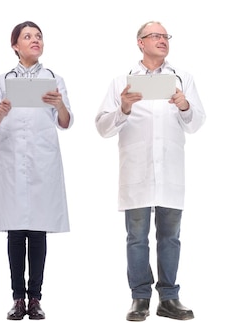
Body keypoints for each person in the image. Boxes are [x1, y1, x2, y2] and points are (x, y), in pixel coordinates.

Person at [95, 21, 206, 321]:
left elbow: (196, 124)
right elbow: (102, 127)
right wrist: (124, 108)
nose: (162, 40)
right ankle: (140, 298)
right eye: (155, 35)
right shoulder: (123, 82)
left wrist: (184, 105)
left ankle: (169, 298)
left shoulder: (183, 78)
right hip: (137, 173)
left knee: (170, 237)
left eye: (165, 36)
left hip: (170, 171)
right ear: (140, 43)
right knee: (137, 237)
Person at [0, 21, 73, 321]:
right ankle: (17, 299)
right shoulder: (2, 80)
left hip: (42, 161)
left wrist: (59, 104)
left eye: (39, 37)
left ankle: (35, 299)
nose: (35, 41)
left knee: (37, 231)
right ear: (15, 46)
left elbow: (66, 121)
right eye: (28, 37)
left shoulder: (53, 79)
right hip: (11, 160)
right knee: (15, 231)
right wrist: (1, 112)